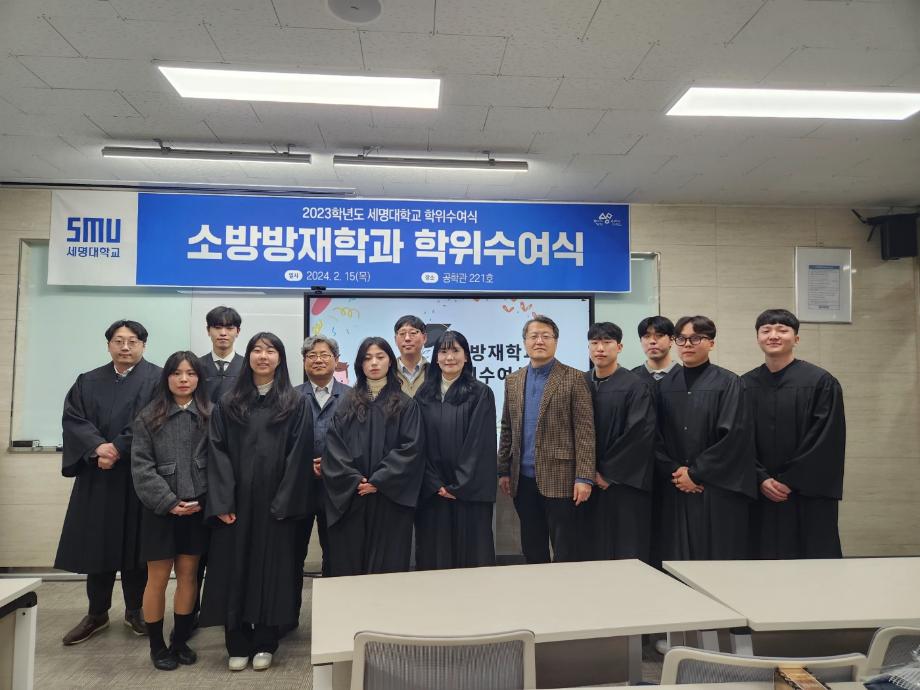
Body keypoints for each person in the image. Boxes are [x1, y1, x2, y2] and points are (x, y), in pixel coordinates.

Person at [200, 332, 314, 672]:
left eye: (271, 350)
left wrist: (284, 502)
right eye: (257, 350)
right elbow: (217, 451)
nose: (263, 356)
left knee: (272, 571)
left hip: (275, 506)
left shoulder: (295, 403)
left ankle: (266, 640)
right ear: (248, 356)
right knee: (233, 569)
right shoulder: (229, 402)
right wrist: (223, 501)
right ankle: (236, 641)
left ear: (280, 358)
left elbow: (299, 455)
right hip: (236, 505)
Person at [56, 320, 161, 646]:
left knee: (137, 547)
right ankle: (97, 612)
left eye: (132, 341)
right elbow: (74, 420)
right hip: (97, 476)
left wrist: (117, 448)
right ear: (109, 345)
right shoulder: (87, 381)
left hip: (137, 475)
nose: (125, 347)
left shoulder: (158, 380)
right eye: (118, 341)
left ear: (143, 345)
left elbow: (151, 419)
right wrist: (97, 448)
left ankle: (136, 610)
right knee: (97, 545)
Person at [742, 309, 846, 559]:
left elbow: (826, 438)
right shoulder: (743, 384)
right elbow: (737, 438)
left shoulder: (821, 382)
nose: (773, 335)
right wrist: (760, 477)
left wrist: (790, 480)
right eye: (766, 330)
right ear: (757, 338)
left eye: (782, 330)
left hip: (806, 493)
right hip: (759, 492)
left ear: (796, 338)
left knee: (811, 559)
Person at [131, 352, 211, 671]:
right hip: (159, 511)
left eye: (190, 373)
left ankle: (180, 641)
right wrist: (167, 501)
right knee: (158, 578)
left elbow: (220, 462)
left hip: (196, 509)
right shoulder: (148, 416)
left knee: (189, 576)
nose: (184, 379)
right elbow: (141, 468)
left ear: (199, 379)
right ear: (167, 378)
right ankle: (157, 645)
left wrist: (204, 499)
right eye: (177, 373)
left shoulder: (210, 415)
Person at [655, 315, 756, 561]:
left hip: (716, 488)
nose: (687, 344)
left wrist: (696, 473)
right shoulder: (664, 385)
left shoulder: (729, 382)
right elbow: (654, 435)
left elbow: (734, 435)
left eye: (696, 338)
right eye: (681, 339)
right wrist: (676, 470)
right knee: (676, 558)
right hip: (675, 486)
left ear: (711, 343)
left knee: (716, 557)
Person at [322, 337, 424, 576]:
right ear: (360, 364)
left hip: (390, 499)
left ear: (390, 362)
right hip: (352, 496)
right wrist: (355, 480)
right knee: (350, 564)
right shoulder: (346, 403)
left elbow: (411, 448)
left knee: (387, 567)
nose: (374, 363)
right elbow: (334, 448)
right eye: (367, 358)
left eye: (380, 357)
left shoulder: (405, 405)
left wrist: (379, 481)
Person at [498, 315, 595, 564]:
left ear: (556, 341)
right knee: (532, 546)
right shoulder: (513, 380)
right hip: (523, 479)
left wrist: (584, 477)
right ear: (524, 342)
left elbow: (584, 431)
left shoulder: (574, 378)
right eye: (533, 336)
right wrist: (504, 470)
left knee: (566, 549)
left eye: (545, 336)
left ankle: (565, 589)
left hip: (562, 478)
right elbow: (507, 427)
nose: (539, 341)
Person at [414, 330, 497, 569]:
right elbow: (417, 442)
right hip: (433, 493)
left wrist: (459, 485)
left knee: (471, 556)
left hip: (469, 493)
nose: (449, 357)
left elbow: (480, 443)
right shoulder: (424, 394)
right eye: (443, 351)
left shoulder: (480, 392)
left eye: (455, 351)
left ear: (466, 356)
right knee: (434, 556)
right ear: (435, 358)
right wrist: (434, 483)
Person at [583, 322, 656, 562]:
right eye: (594, 343)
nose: (600, 348)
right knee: (588, 546)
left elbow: (640, 433)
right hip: (585, 483)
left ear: (620, 347)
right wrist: (586, 471)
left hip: (623, 483)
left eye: (607, 342)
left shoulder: (636, 385)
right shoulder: (580, 382)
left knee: (625, 546)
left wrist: (607, 473)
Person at [294, 335, 351, 578]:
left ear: (336, 360)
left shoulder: (351, 396)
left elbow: (358, 443)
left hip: (338, 487)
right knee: (292, 552)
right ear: (304, 361)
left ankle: (335, 602)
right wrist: (303, 464)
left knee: (337, 553)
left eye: (324, 355)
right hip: (299, 486)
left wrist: (332, 463)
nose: (318, 360)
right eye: (312, 355)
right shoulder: (291, 396)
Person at [198, 306, 244, 403]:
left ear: (238, 331)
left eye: (229, 328)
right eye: (217, 328)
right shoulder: (196, 365)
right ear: (208, 330)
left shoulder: (247, 366)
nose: (223, 333)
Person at [632, 316, 680, 383]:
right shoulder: (630, 378)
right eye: (647, 336)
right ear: (641, 341)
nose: (652, 341)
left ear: (671, 340)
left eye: (659, 335)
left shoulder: (685, 376)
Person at [393, 315, 428, 396]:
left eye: (413, 333)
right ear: (395, 340)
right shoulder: (388, 372)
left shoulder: (435, 372)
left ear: (424, 338)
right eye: (402, 333)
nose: (407, 338)